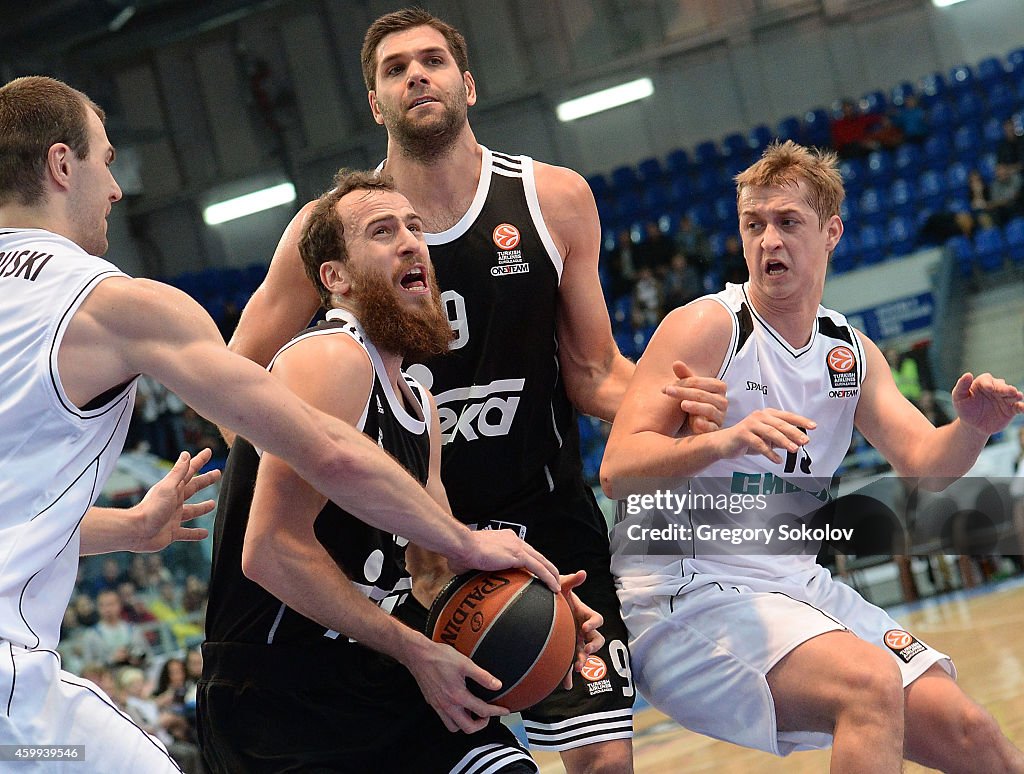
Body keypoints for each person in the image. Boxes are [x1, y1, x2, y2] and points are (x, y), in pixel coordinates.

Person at [0, 74, 559, 773]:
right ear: (61, 165)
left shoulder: (418, 402)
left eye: (415, 228)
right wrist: (470, 543)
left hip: (352, 678)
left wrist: (128, 530)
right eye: (107, 161)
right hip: (231, 697)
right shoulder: (117, 306)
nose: (115, 189)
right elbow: (323, 451)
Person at [225, 9, 727, 772]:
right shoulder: (328, 230)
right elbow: (237, 383)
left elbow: (593, 373)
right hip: (412, 548)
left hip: (540, 521)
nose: (415, 75)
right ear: (374, 102)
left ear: (468, 83)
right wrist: (312, 483)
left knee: (605, 761)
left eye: (431, 60)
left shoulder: (551, 200)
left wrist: (677, 415)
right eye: (394, 69)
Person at [602, 140, 1024, 773]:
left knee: (974, 734)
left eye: (788, 223)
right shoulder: (707, 325)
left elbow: (926, 466)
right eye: (754, 225)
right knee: (868, 684)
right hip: (685, 590)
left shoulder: (850, 353)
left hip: (794, 584)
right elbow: (616, 468)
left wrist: (970, 427)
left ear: (831, 233)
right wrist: (726, 439)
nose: (769, 241)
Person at [199, 171, 602, 773]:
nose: (413, 242)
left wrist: (541, 617)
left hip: (371, 669)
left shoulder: (419, 405)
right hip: (279, 701)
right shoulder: (329, 358)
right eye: (382, 232)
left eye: (415, 227)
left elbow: (433, 576)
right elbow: (271, 551)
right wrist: (415, 651)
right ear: (335, 278)